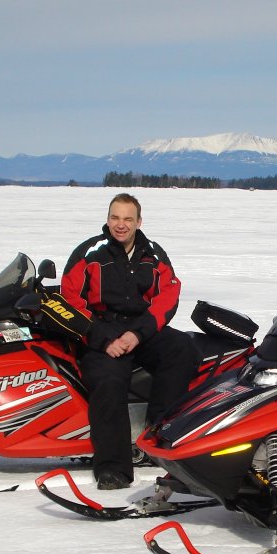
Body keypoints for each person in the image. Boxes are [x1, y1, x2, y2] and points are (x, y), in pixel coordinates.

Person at [61, 193, 198, 490]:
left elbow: (168, 296)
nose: (120, 225)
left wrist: (138, 333)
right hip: (100, 331)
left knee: (182, 349)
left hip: (140, 328)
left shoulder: (153, 254)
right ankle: (113, 467)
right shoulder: (89, 253)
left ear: (138, 222)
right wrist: (102, 338)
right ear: (107, 219)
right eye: (115, 218)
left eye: (127, 219)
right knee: (108, 380)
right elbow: (70, 301)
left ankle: (159, 436)